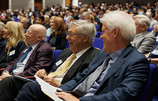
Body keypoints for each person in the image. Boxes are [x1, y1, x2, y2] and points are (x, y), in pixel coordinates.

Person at [14, 11, 149, 101]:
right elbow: (81, 78)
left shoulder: (137, 61)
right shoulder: (102, 54)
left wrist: (79, 100)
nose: (100, 36)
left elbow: (122, 95)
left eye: (103, 32)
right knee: (32, 88)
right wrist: (58, 89)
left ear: (115, 33)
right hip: (72, 96)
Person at [0, 20, 100, 101]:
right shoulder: (66, 52)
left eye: (71, 35)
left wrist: (58, 84)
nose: (67, 38)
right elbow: (53, 71)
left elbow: (81, 84)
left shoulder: (94, 57)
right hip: (45, 84)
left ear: (85, 38)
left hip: (61, 91)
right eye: (67, 34)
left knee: (17, 84)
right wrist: (42, 73)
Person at [0, 24, 54, 101]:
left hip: (21, 81)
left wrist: (13, 77)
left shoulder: (45, 49)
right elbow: (14, 62)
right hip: (10, 78)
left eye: (29, 33)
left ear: (39, 37)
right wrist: (6, 71)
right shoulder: (29, 47)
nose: (25, 34)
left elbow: (37, 69)